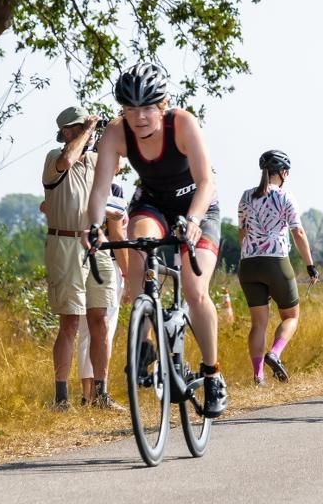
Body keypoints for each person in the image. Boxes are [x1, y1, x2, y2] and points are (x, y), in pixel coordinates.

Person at [86, 63, 228, 418]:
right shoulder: (117, 134)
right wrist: (93, 227)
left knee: (195, 291)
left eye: (147, 107)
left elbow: (206, 181)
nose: (139, 117)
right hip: (153, 204)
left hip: (197, 205)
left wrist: (194, 221)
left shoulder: (182, 123)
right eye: (130, 109)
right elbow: (100, 189)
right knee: (137, 243)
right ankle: (146, 340)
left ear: (163, 105)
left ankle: (213, 374)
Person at [42, 105, 119, 410]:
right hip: (65, 243)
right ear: (65, 132)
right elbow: (67, 159)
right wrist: (88, 130)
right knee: (70, 322)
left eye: (84, 127)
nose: (86, 133)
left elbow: (117, 164)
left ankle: (100, 392)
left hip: (95, 246)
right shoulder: (54, 158)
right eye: (76, 128)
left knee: (100, 320)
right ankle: (61, 397)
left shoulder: (97, 161)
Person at [237, 150, 319, 385]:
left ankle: (258, 375)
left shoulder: (245, 196)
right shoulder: (285, 196)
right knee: (291, 315)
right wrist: (310, 265)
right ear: (282, 173)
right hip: (275, 260)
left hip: (249, 263)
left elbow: (241, 232)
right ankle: (275, 353)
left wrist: (250, 251)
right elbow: (298, 232)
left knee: (258, 324)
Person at [76, 175, 128, 406]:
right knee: (104, 327)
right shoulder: (113, 186)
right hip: (108, 262)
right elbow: (117, 234)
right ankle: (99, 392)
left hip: (79, 257)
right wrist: (128, 273)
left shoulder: (81, 183)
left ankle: (87, 392)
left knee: (86, 331)